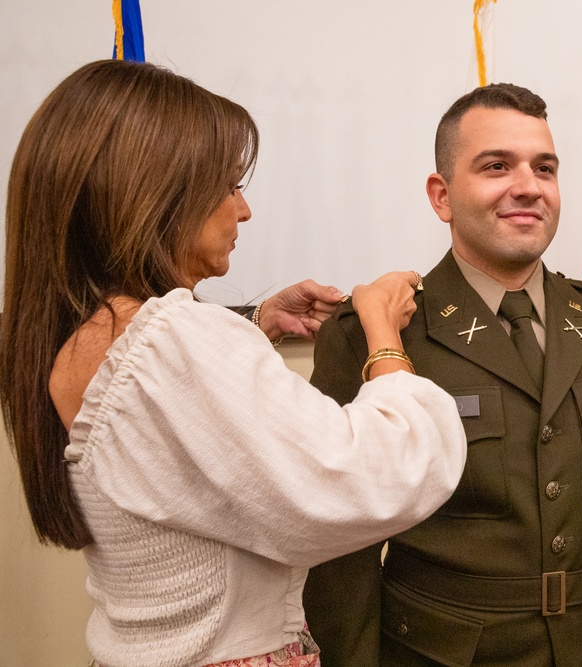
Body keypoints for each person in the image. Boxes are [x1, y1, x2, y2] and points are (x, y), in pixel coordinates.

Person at [0, 59, 468, 667]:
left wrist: (251, 326)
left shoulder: (82, 334)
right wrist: (382, 333)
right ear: (151, 192)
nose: (242, 210)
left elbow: (162, 431)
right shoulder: (175, 338)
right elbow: (365, 481)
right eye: (227, 185)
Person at [302, 83, 582, 666]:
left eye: (544, 168)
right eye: (496, 166)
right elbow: (340, 548)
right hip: (442, 653)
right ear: (442, 195)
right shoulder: (377, 332)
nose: (528, 186)